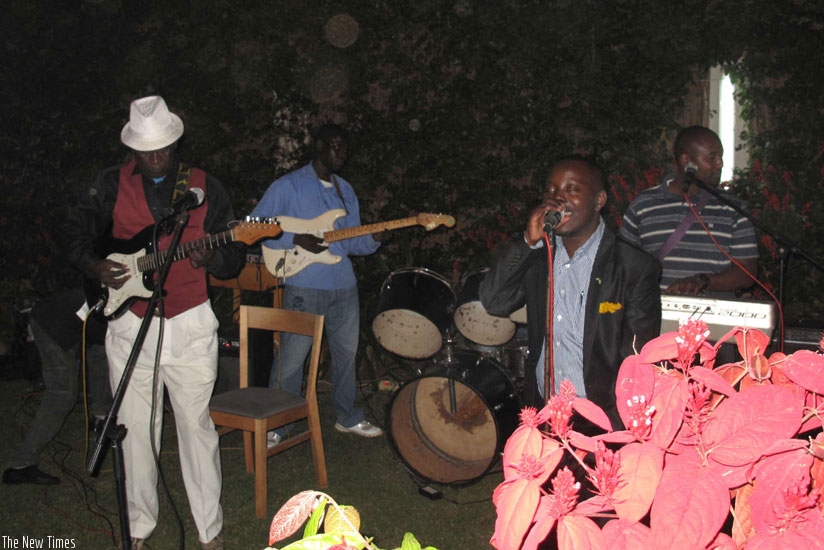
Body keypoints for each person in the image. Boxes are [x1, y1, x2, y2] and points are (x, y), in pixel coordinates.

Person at [61, 95, 244, 550]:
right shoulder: (108, 184)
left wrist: (214, 255)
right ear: (133, 149)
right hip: (130, 323)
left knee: (195, 428)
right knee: (135, 429)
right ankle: (139, 527)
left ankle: (209, 529)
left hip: (190, 322)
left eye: (163, 149)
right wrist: (95, 265)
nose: (156, 158)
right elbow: (74, 233)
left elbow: (235, 254)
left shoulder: (205, 186)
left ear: (175, 143)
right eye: (146, 152)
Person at [480, 156, 662, 430]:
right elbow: (494, 302)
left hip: (603, 420)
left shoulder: (633, 266)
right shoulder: (540, 256)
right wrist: (528, 243)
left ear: (599, 201)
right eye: (550, 191)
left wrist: (620, 425)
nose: (557, 199)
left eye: (572, 189)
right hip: (546, 414)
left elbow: (636, 359)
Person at [250, 123, 384, 442]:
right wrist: (296, 238)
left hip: (344, 286)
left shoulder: (345, 190)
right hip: (304, 286)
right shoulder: (289, 186)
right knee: (292, 360)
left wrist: (374, 239)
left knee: (345, 355)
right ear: (320, 147)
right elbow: (253, 226)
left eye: (345, 147)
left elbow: (350, 242)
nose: (341, 152)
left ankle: (347, 416)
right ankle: (278, 424)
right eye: (335, 146)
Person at [620, 126, 759, 298]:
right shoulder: (643, 205)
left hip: (715, 319)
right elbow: (623, 266)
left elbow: (747, 272)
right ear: (686, 160)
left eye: (720, 157)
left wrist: (702, 281)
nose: (720, 163)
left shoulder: (733, 208)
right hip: (655, 317)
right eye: (712, 157)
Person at [3, 287, 111, 485]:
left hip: (72, 324)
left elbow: (99, 355)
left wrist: (101, 411)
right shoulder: (117, 306)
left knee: (100, 356)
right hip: (51, 324)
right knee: (62, 393)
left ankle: (101, 420)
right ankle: (20, 466)